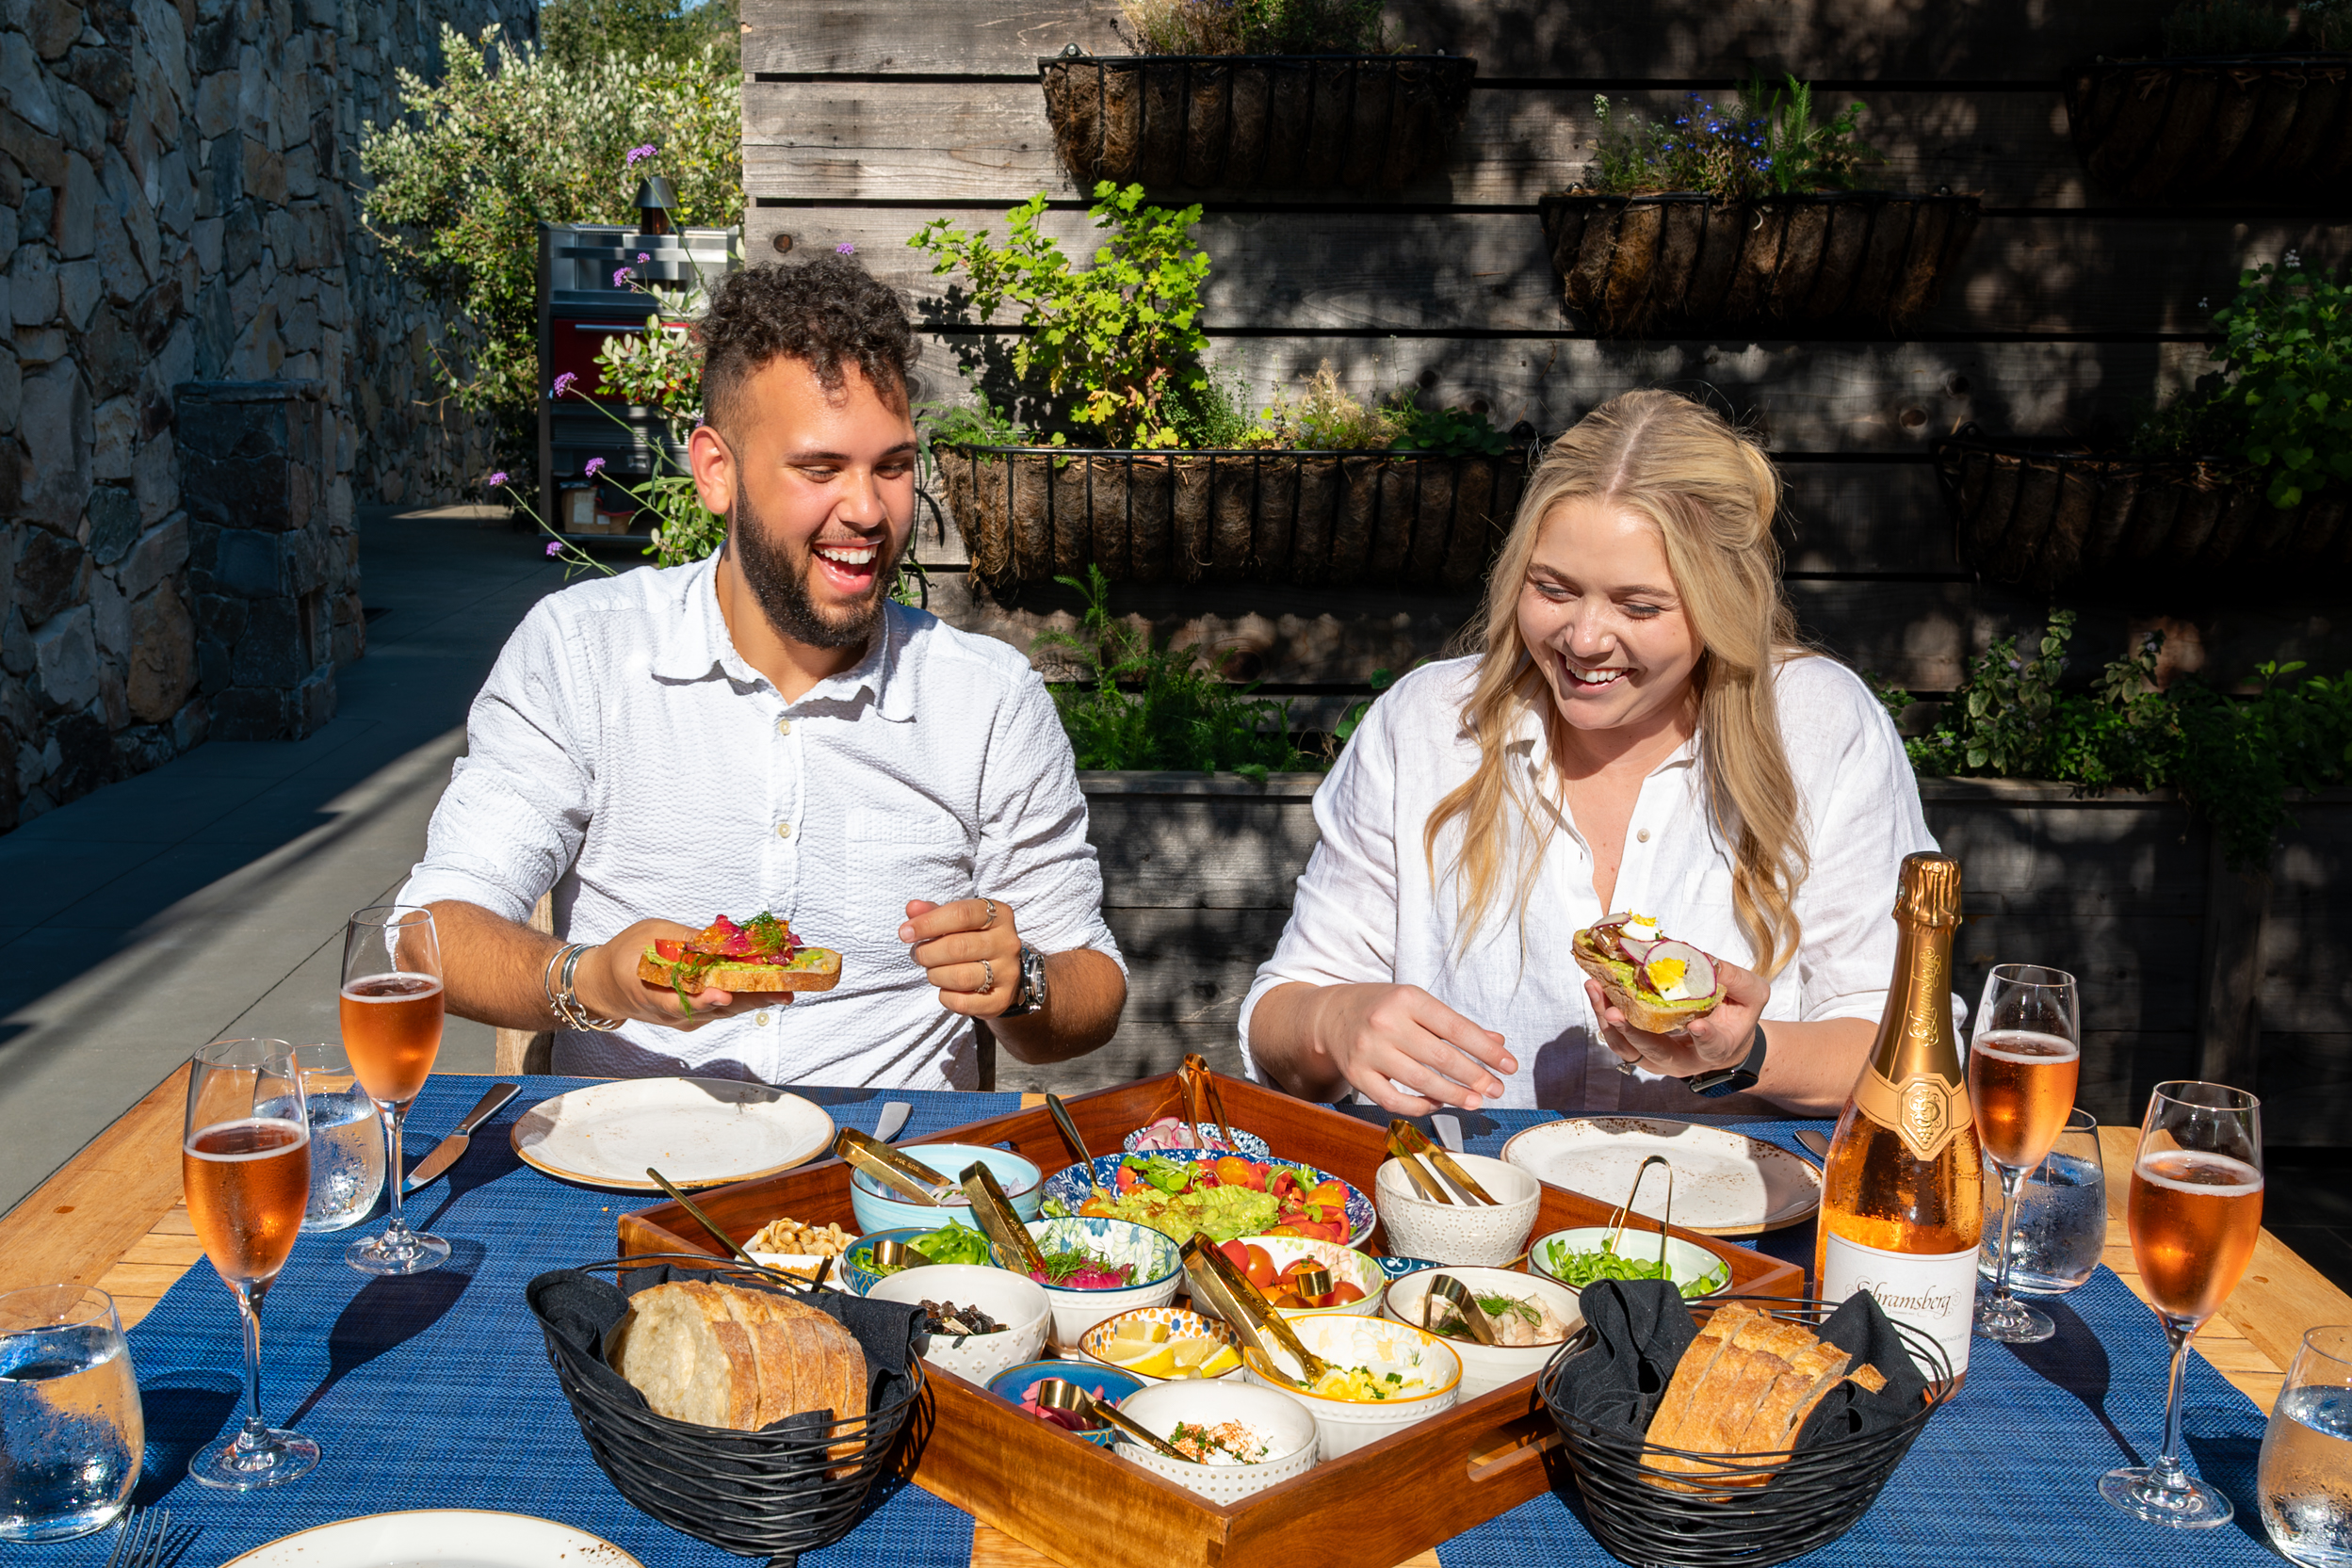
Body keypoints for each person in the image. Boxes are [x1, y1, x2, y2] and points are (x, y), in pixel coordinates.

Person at [398, 254, 1127, 1087]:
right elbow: (429, 934)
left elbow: (1093, 986)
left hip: (883, 1182)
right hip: (630, 1169)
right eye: (820, 469)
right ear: (717, 470)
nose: (866, 509)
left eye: (891, 466)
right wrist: (589, 978)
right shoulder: (583, 652)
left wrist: (1021, 980)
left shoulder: (986, 699)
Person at [1240, 389, 1944, 1117]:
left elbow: (1906, 1052)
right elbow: (1280, 1014)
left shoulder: (1820, 725)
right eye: (1552, 588)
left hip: (1732, 1220)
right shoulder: (1426, 723)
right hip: (1465, 1211)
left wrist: (1744, 1052)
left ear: (1723, 599)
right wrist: (1334, 1021)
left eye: (1639, 607)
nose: (1583, 639)